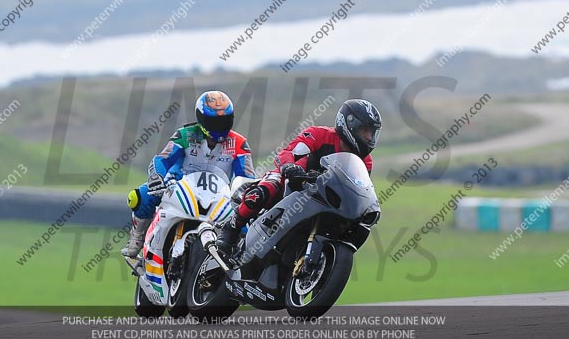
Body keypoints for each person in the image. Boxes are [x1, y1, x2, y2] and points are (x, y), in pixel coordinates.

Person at [215, 99, 382, 257]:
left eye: (372, 133)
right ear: (349, 124)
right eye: (365, 131)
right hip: (294, 181)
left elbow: (359, 187)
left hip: (325, 199)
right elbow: (287, 152)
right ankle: (232, 227)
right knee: (264, 191)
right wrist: (290, 167)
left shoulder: (365, 161)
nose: (369, 137)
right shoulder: (319, 134)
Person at [122, 90, 255, 257]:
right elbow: (162, 159)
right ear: (201, 119)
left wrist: (248, 198)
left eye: (224, 120)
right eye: (214, 121)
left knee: (248, 221)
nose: (220, 126)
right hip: (178, 188)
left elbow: (247, 178)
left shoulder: (240, 144)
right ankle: (137, 236)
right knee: (139, 196)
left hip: (219, 196)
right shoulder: (184, 135)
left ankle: (240, 258)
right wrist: (157, 177)